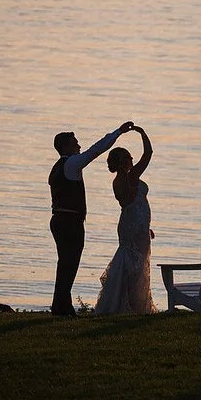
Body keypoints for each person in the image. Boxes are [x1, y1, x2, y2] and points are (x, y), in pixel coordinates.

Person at [48, 121, 134, 316]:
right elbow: (95, 150)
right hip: (69, 222)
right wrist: (118, 132)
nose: (79, 146)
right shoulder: (71, 163)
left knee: (65, 264)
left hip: (59, 220)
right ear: (65, 147)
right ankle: (62, 307)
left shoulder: (57, 167)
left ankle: (61, 305)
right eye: (75, 143)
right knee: (69, 264)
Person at [94, 125, 158, 315]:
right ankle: (130, 304)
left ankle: (132, 303)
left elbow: (136, 205)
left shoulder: (124, 178)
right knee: (134, 265)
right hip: (133, 225)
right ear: (124, 162)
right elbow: (148, 154)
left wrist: (146, 227)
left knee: (135, 263)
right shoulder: (130, 177)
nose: (132, 160)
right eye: (129, 158)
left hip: (138, 225)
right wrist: (142, 133)